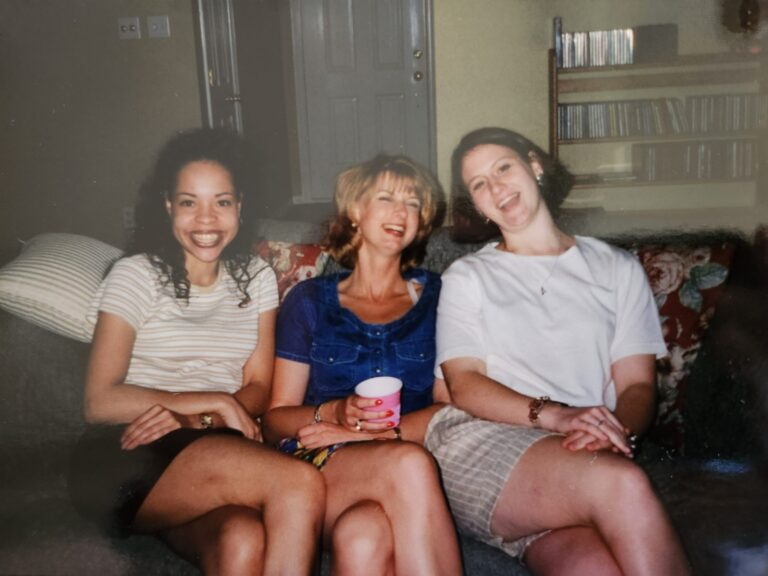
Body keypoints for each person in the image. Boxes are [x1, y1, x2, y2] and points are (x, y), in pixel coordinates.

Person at [425, 127, 691, 576]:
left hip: (579, 457)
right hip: (487, 444)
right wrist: (558, 416)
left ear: (534, 164)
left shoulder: (617, 268)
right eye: (479, 184)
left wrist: (613, 433)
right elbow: (463, 385)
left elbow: (638, 386)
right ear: (477, 204)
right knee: (621, 485)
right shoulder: (467, 276)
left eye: (503, 168)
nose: (496, 188)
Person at [69, 128, 324, 576]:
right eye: (189, 202)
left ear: (240, 207)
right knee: (299, 483)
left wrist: (201, 418)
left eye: (221, 202)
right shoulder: (136, 275)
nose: (206, 219)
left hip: (211, 445)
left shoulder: (257, 277)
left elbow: (260, 387)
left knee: (241, 541)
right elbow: (99, 401)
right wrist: (213, 401)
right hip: (130, 450)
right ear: (168, 206)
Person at [262, 154, 463, 576]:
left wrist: (381, 434)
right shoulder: (310, 301)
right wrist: (337, 415)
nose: (401, 212)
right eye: (386, 197)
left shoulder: (440, 297)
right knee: (409, 465)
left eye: (413, 203)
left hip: (401, 451)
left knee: (363, 537)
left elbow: (451, 406)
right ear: (355, 210)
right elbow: (275, 419)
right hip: (321, 466)